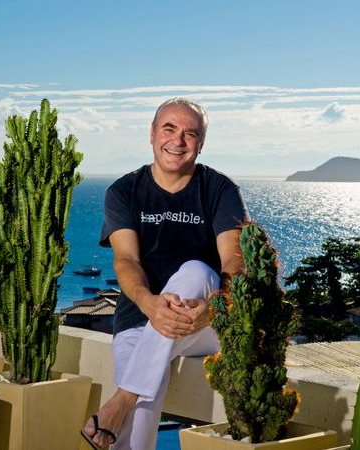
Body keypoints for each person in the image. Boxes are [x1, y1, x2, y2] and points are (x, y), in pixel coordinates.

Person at [81, 98, 248, 449]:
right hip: (138, 318)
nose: (178, 140)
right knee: (143, 406)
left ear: (201, 144)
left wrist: (213, 310)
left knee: (195, 271)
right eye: (169, 129)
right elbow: (126, 261)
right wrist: (149, 303)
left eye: (191, 133)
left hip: (208, 324)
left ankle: (121, 399)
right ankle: (132, 400)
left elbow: (234, 263)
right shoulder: (124, 191)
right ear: (152, 134)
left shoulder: (220, 190)